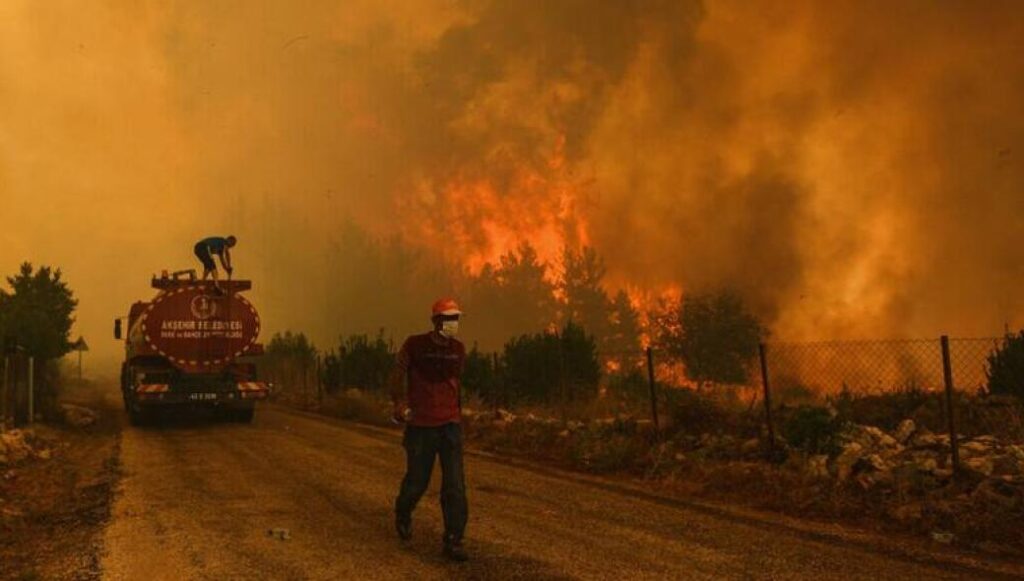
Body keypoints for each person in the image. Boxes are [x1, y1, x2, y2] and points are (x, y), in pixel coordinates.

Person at [391, 297, 469, 562]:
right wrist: (399, 403)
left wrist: (458, 415)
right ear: (436, 321)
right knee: (417, 482)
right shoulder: (414, 345)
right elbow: (397, 374)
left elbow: (457, 384)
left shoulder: (459, 349)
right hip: (422, 427)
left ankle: (454, 539)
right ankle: (403, 511)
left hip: (450, 426)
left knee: (455, 486)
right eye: (448, 319)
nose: (453, 324)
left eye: (456, 319)